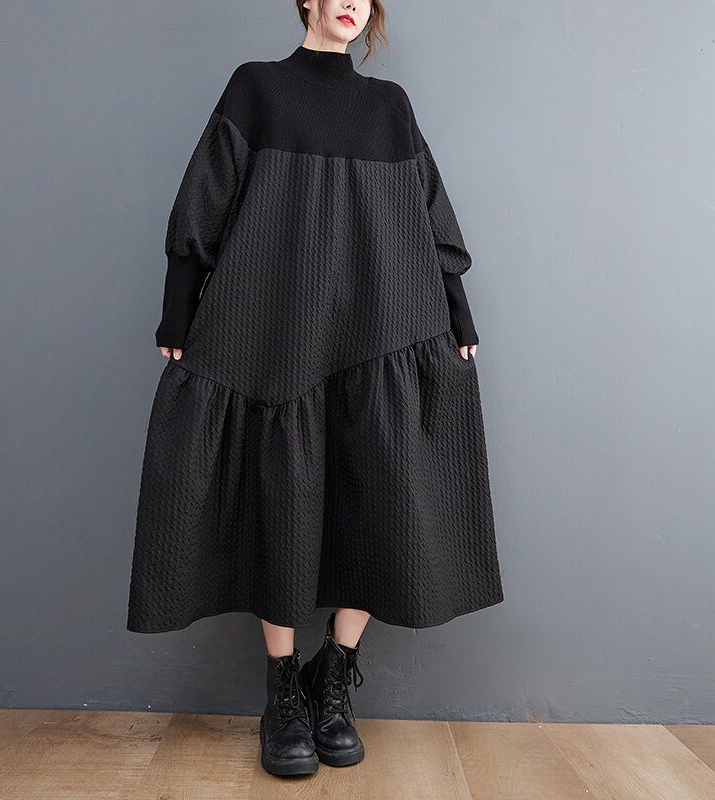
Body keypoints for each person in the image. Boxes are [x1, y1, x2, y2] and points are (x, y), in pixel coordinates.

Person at [126, 0, 504, 778]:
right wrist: (179, 305)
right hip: (276, 326)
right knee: (282, 497)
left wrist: (456, 309)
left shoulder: (389, 106)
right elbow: (204, 197)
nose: (351, 1)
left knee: (383, 497)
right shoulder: (256, 88)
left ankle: (333, 675)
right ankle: (282, 691)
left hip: (382, 323)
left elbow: (430, 211)